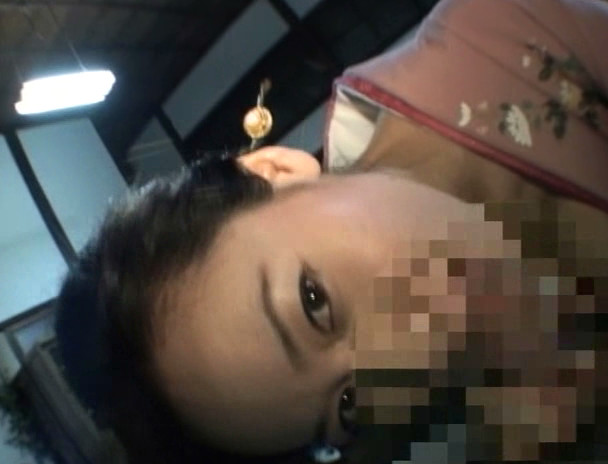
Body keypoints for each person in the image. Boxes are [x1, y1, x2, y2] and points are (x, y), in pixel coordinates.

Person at [55, 0, 608, 463]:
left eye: (313, 301)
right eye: (351, 405)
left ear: (276, 171)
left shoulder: (509, 30)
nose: (402, 361)